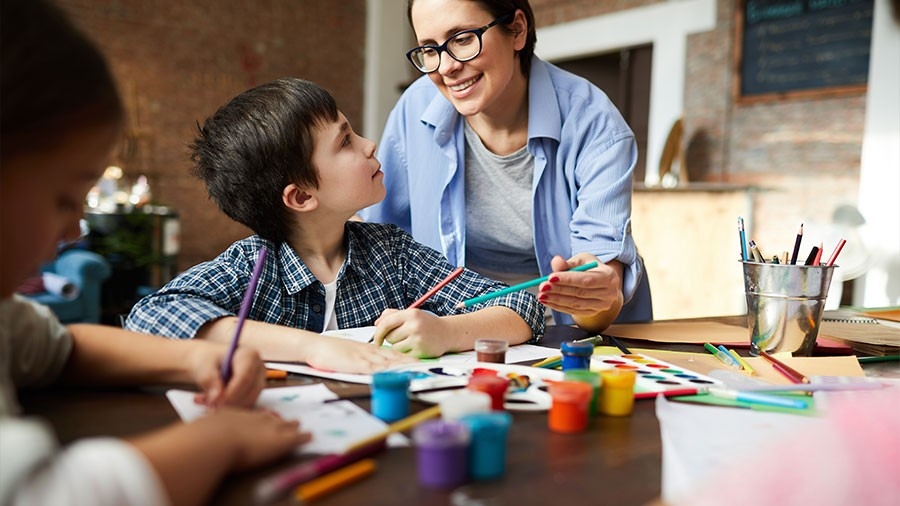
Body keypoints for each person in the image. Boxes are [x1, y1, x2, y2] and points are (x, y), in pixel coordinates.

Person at [0, 1, 310, 505]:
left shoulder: (390, 249)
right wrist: (219, 440)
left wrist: (194, 357)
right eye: (63, 198)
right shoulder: (247, 260)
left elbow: (59, 347)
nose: (76, 228)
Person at [125, 78, 544, 370]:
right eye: (345, 141)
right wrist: (316, 348)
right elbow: (151, 317)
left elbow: (521, 305)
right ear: (302, 197)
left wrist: (447, 331)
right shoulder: (250, 267)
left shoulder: (392, 255)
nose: (370, 144)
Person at [360, 0, 653, 333]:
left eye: (462, 39)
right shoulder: (415, 108)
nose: (446, 67)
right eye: (430, 49)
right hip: (453, 331)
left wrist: (593, 293)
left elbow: (602, 284)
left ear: (516, 30)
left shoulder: (594, 123)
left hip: (569, 334)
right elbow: (380, 239)